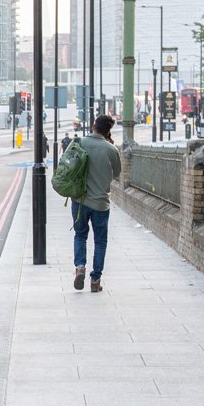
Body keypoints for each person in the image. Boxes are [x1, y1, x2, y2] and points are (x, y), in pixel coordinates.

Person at [72, 115, 122, 293]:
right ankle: (95, 280)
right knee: (100, 241)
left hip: (79, 200)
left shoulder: (79, 142)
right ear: (108, 131)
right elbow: (117, 173)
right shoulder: (111, 149)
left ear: (93, 126)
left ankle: (80, 267)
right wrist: (111, 145)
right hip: (101, 203)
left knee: (80, 235)